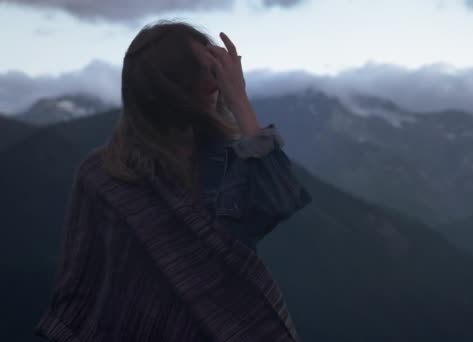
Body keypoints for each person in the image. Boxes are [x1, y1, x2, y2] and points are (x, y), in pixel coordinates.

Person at [33, 20, 312, 342]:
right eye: (196, 73)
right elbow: (78, 285)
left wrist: (239, 99)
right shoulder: (101, 176)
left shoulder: (231, 158)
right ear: (163, 86)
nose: (213, 85)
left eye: (214, 72)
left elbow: (280, 199)